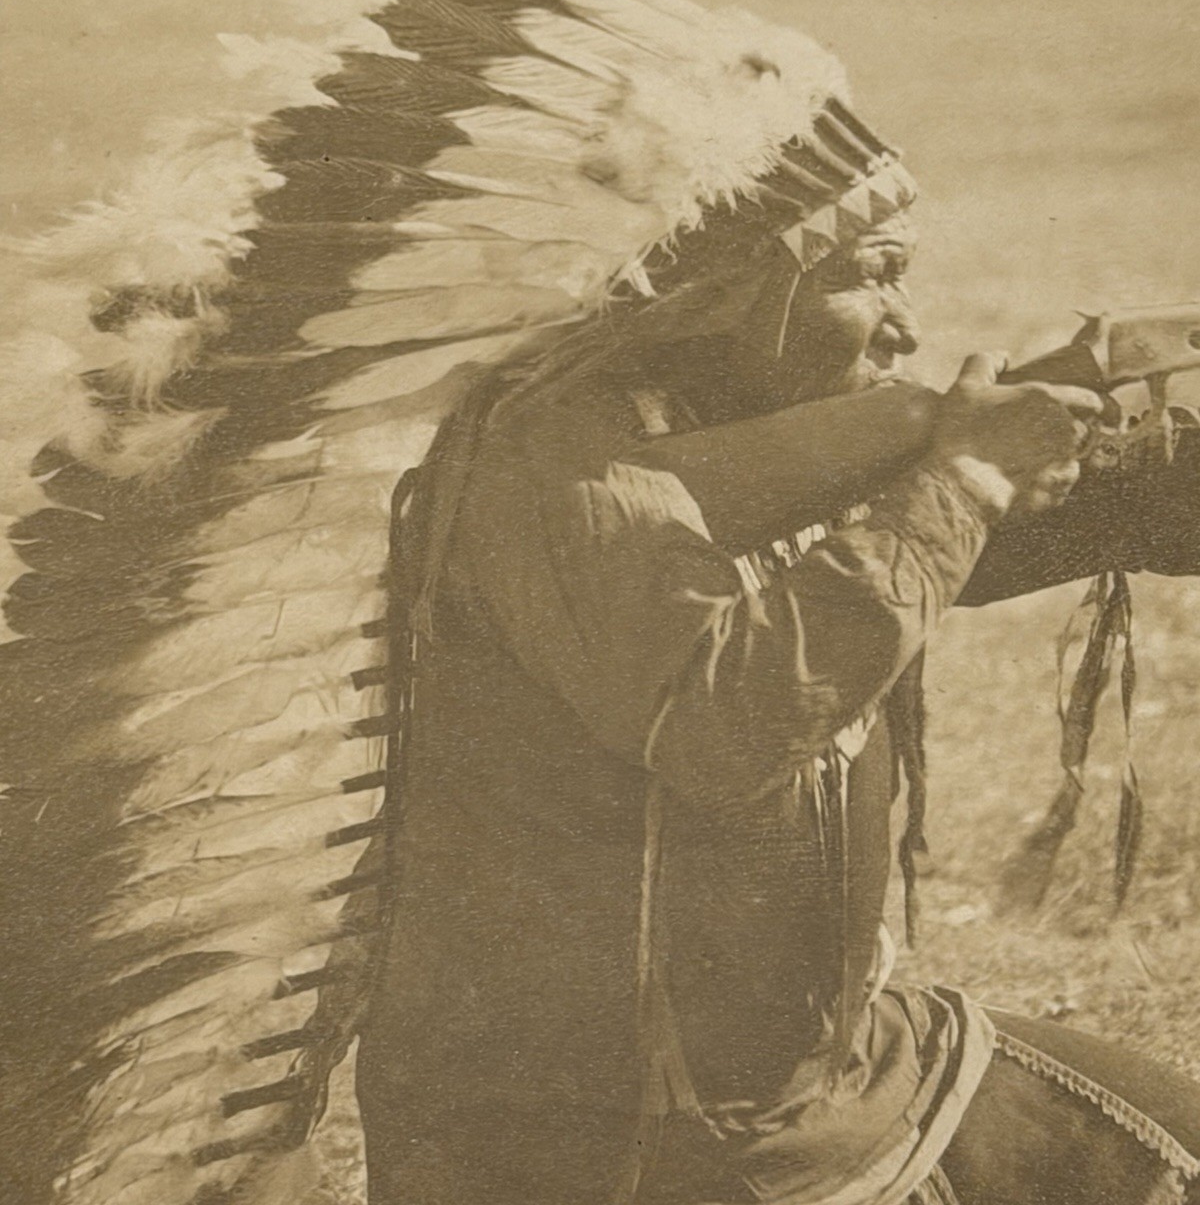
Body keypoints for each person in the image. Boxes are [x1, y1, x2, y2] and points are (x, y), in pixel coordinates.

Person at [355, 198, 1200, 1204]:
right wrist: (964, 472)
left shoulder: (728, 432)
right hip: (609, 1145)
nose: (907, 324)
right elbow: (724, 720)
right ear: (722, 293)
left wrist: (1133, 460)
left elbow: (920, 553)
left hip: (828, 1082)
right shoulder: (545, 470)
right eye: (870, 273)